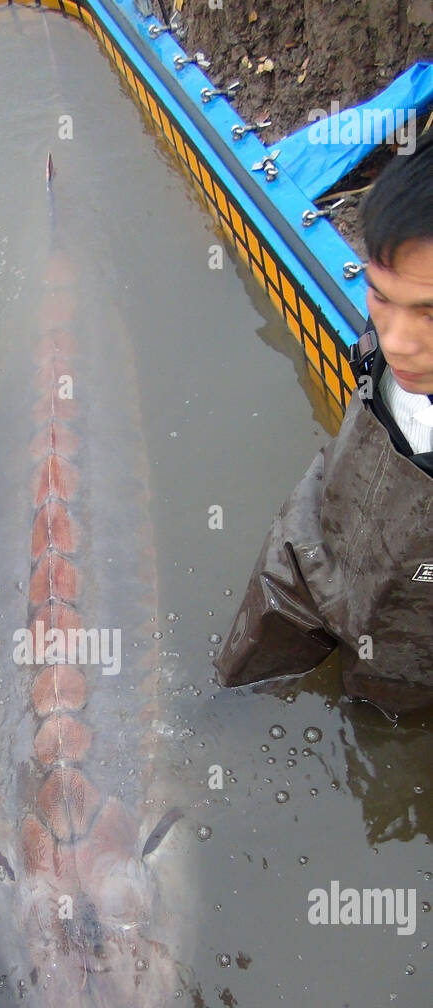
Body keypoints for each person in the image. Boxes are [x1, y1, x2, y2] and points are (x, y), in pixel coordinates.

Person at [215, 131, 433, 717]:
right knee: (236, 686)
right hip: (318, 542)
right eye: (383, 298)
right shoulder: (385, 350)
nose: (398, 341)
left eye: (431, 313)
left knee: (388, 724)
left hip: (416, 620)